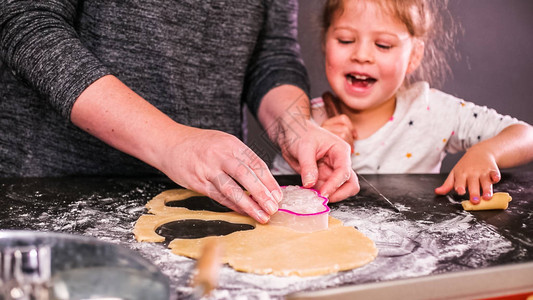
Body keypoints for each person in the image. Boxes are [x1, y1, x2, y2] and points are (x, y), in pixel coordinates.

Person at [0, 1, 359, 224]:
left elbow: (272, 53)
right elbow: (27, 22)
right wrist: (171, 141)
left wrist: (294, 126)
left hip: (211, 199)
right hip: (56, 194)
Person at [272, 0, 533, 205]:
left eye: (383, 45)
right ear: (324, 42)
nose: (361, 55)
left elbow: (526, 135)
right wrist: (313, 166)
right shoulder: (308, 124)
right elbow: (278, 193)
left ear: (414, 55)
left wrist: (485, 153)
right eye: (345, 40)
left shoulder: (432, 110)